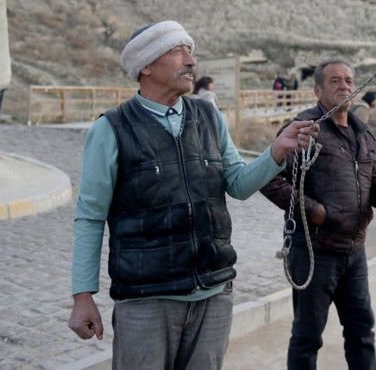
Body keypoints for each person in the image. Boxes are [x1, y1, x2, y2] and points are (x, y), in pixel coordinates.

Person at [67, 20, 319, 369]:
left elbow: (238, 183)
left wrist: (277, 150)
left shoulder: (209, 116)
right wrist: (83, 296)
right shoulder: (110, 129)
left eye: (191, 51)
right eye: (178, 51)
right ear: (146, 66)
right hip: (145, 300)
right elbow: (90, 217)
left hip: (214, 295)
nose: (191, 61)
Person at [260, 57, 376, 369]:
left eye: (349, 80)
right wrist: (317, 213)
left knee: (362, 332)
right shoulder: (304, 129)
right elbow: (268, 178)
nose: (344, 86)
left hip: (354, 252)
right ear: (317, 90)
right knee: (307, 338)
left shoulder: (363, 133)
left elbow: (374, 178)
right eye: (334, 81)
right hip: (314, 252)